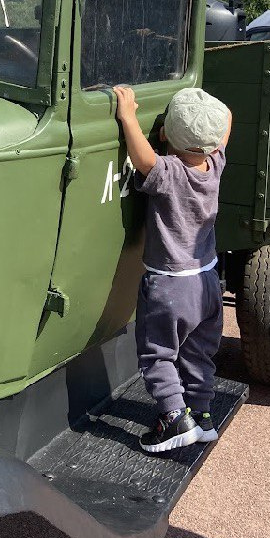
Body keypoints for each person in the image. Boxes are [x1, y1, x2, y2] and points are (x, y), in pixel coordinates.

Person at [114, 84, 232, 453]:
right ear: (213, 144)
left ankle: (174, 419)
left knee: (158, 354)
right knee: (198, 353)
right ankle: (203, 415)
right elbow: (226, 118)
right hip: (208, 282)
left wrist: (128, 116)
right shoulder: (215, 165)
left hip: (169, 286)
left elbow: (144, 160)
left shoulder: (169, 173)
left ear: (164, 134)